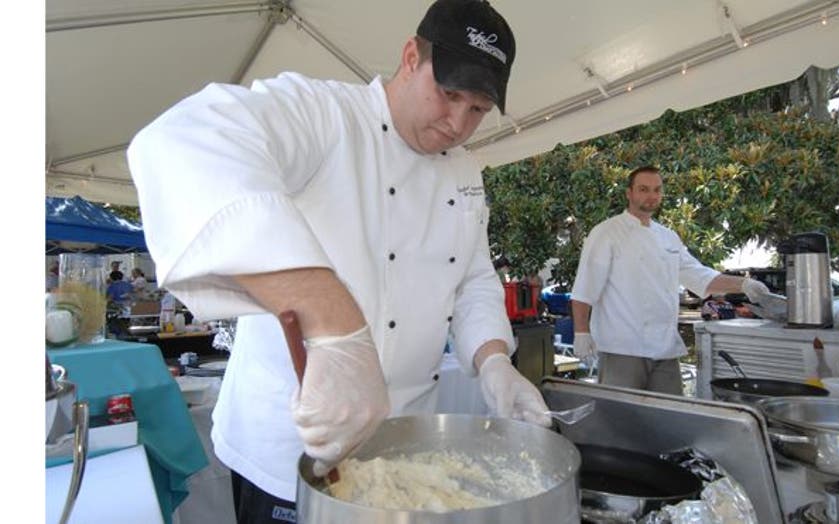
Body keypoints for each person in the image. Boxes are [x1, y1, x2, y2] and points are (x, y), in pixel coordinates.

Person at [127, 1, 549, 521]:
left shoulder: (465, 172)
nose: (458, 123)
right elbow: (185, 140)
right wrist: (335, 326)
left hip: (406, 448)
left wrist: (493, 364)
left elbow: (472, 279)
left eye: (478, 110)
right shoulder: (324, 114)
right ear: (411, 56)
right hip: (291, 452)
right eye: (450, 93)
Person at [570, 165, 770, 394]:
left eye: (657, 190)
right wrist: (581, 333)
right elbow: (585, 289)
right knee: (621, 421)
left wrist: (743, 284)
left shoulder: (668, 237)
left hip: (664, 348)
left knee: (669, 418)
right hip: (622, 347)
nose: (651, 196)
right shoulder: (606, 232)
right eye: (643, 189)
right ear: (629, 193)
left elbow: (699, 275)